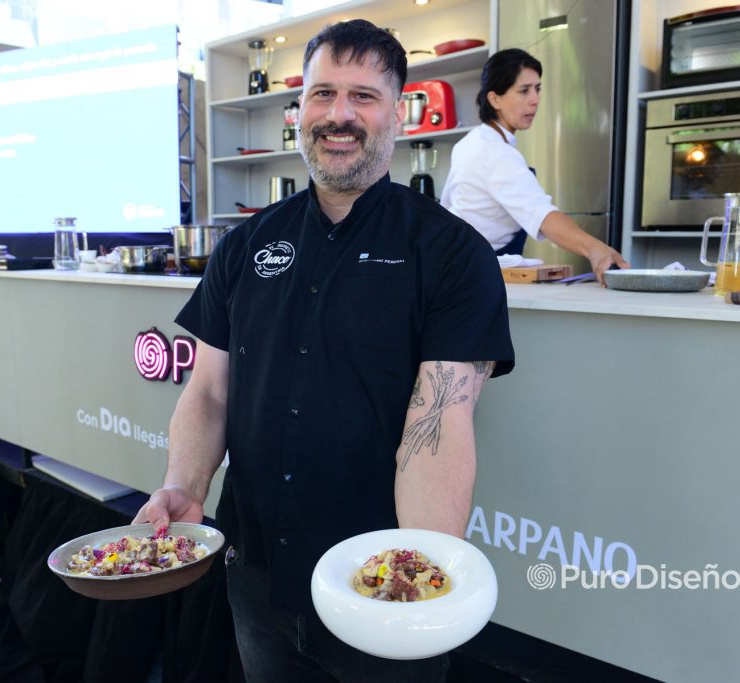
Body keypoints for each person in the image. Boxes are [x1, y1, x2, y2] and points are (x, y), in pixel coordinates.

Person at [133, 19, 515, 682]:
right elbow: (210, 391)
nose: (339, 115)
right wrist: (181, 485)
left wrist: (416, 569)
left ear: (399, 112)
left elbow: (437, 427)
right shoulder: (247, 246)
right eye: (321, 94)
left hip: (377, 585)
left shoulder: (452, 254)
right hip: (255, 571)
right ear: (299, 110)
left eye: (363, 96)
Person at [440, 48, 629, 285]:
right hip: (475, 273)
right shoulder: (494, 152)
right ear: (494, 99)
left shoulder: (470, 142)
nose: (535, 99)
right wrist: (595, 249)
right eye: (524, 90)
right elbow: (541, 214)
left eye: (537, 89)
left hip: (457, 266)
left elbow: (446, 207)